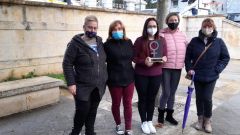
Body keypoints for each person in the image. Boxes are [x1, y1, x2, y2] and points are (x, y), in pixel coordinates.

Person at [62, 15, 107, 135]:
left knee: (92, 110)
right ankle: (75, 132)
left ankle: (90, 132)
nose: (92, 30)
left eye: (95, 28)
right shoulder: (75, 44)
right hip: (82, 85)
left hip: (98, 85)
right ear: (84, 27)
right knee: (82, 110)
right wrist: (71, 83)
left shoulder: (100, 42)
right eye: (90, 27)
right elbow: (67, 64)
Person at [185, 18, 230, 133]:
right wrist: (189, 69)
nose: (207, 29)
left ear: (213, 28)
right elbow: (188, 58)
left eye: (209, 27)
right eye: (205, 26)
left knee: (207, 98)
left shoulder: (218, 42)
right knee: (199, 98)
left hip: (211, 76)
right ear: (201, 27)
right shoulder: (194, 41)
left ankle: (208, 120)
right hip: (197, 75)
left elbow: (225, 57)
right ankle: (200, 119)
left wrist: (217, 69)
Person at [133, 17, 167, 134]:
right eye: (149, 26)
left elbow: (165, 55)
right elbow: (134, 57)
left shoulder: (161, 40)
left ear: (157, 27)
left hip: (156, 74)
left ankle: (149, 121)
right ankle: (143, 121)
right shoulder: (139, 41)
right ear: (145, 27)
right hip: (141, 74)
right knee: (142, 98)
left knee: (152, 98)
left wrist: (164, 58)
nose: (152, 28)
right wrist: (144, 62)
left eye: (154, 26)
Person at [104, 20, 134, 135]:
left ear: (123, 30)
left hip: (129, 78)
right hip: (114, 80)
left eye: (120, 29)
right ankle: (118, 124)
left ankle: (128, 127)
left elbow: (134, 56)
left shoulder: (128, 42)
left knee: (128, 104)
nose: (118, 31)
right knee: (116, 104)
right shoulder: (106, 45)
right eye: (115, 29)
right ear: (111, 31)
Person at [157, 12, 188, 126]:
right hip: (165, 67)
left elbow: (189, 49)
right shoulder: (161, 34)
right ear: (167, 21)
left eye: (175, 20)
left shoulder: (183, 35)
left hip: (177, 68)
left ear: (178, 21)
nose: (173, 22)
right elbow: (156, 49)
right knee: (166, 92)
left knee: (173, 93)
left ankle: (169, 115)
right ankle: (161, 113)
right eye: (171, 20)